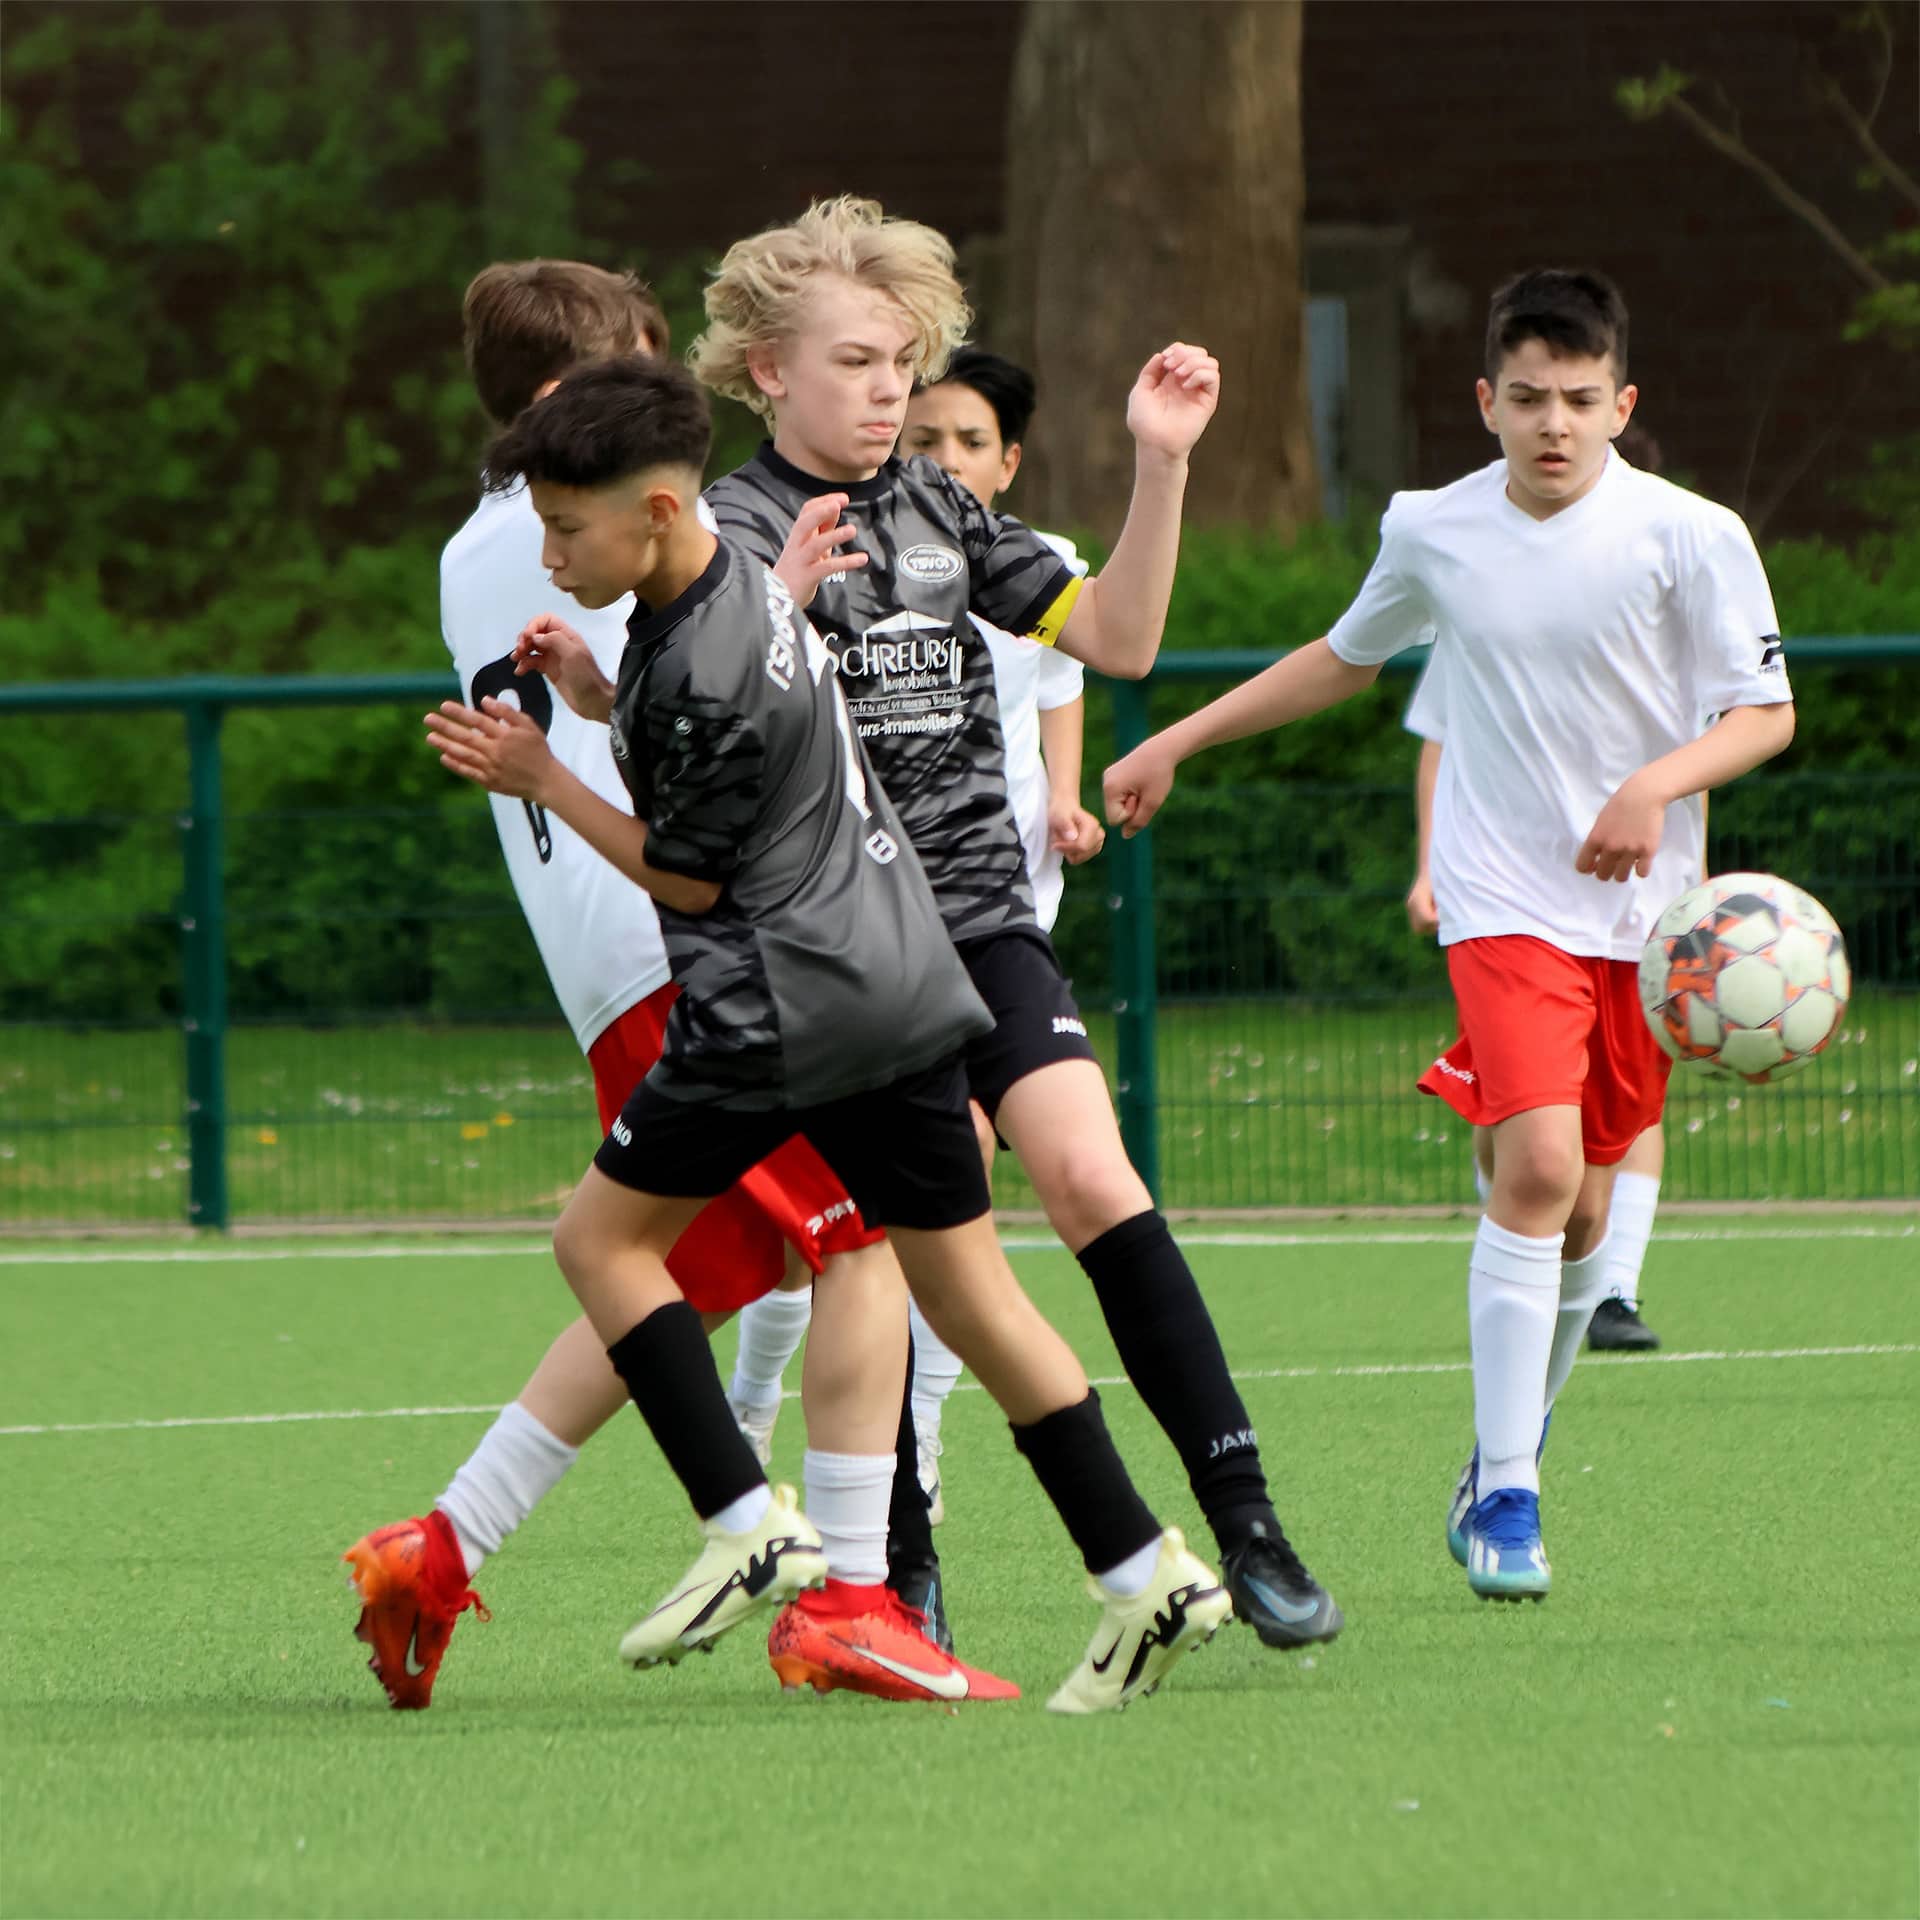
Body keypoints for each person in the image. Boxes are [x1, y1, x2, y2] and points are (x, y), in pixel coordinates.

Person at [424, 352, 1231, 1713]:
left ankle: (745, 1521)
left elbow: (690, 879)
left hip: (780, 1011)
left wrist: (546, 772)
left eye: (566, 529)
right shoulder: (749, 586)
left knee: (600, 1244)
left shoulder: (719, 622)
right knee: (973, 1297)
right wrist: (603, 699)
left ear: (662, 513)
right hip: (905, 991)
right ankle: (1144, 1570)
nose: (548, 555)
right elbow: (718, 703)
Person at [694, 194, 1342, 1648]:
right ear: (766, 372)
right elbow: (706, 749)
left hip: (982, 919)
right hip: (838, 949)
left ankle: (1247, 1521)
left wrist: (1161, 465)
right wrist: (774, 610)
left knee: (1094, 1179)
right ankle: (903, 1563)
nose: (887, 392)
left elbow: (1120, 639)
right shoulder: (724, 530)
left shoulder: (943, 508)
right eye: (855, 362)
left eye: (901, 362)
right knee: (898, 1253)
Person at [1104, 269, 1794, 1601]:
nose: (1553, 423)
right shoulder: (1431, 527)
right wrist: (1178, 739)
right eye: (1528, 398)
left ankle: (1500, 1457)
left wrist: (1652, 788)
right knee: (1537, 1167)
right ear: (1486, 401)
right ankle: (1513, 1498)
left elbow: (1764, 714)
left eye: (1579, 399)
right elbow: (1343, 657)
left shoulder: (1693, 534)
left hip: (1646, 924)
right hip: (1501, 900)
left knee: (1589, 1212)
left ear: (1623, 404)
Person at [343, 260, 948, 1711]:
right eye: (639, 365)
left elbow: (667, 688)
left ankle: (440, 1546)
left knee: (680, 1275)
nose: (664, 395)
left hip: (614, 960)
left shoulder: (475, 549)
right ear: (575, 399)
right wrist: (777, 601)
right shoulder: (601, 529)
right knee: (864, 1240)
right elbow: (701, 721)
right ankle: (847, 1594)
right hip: (692, 944)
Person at [725, 345, 1109, 1528]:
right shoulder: (807, 538)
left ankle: (917, 1444)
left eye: (966, 441)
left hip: (993, 906)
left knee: (952, 1186)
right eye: (924, 433)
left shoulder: (1020, 561)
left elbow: (1068, 683)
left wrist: (1064, 797)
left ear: (1009, 462)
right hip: (858, 919)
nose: (937, 451)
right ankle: (758, 1404)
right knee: (841, 1218)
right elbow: (731, 697)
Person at [1404, 422, 1675, 1354]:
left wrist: (1697, 890)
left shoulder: (1680, 581)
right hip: (1509, 901)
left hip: (1634, 911)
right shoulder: (1486, 597)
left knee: (1614, 1136)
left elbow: (1714, 751)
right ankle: (1531, 1246)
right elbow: (1439, 737)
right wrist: (1429, 865)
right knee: (1532, 1141)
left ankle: (1606, 1283)